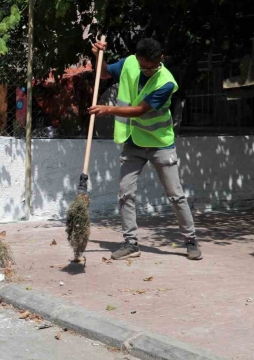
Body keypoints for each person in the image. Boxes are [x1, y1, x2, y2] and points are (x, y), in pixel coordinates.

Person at [89, 38, 202, 261]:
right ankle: (131, 243)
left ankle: (190, 240)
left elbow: (140, 110)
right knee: (125, 193)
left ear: (161, 59)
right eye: (144, 66)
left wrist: (108, 109)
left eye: (152, 66)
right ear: (138, 59)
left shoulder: (166, 82)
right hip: (133, 142)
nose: (148, 71)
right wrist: (97, 57)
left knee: (175, 195)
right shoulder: (130, 63)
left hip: (160, 143)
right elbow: (103, 74)